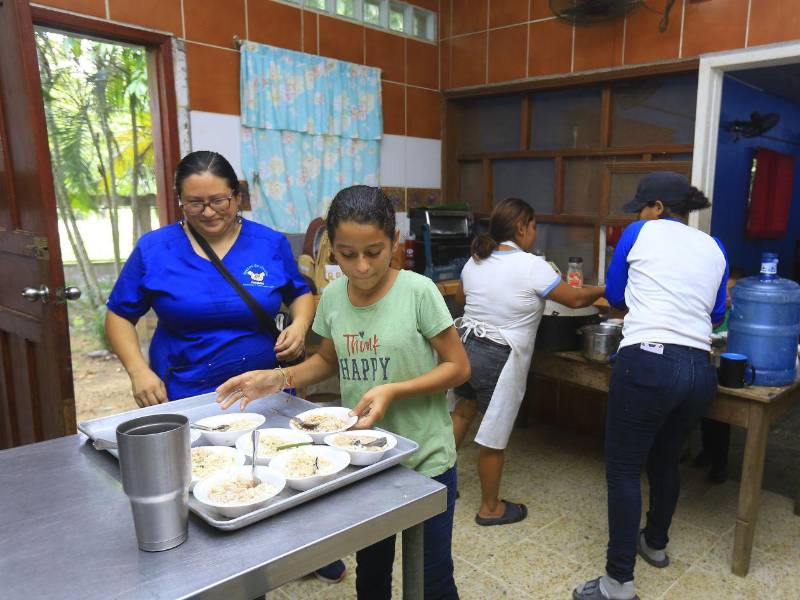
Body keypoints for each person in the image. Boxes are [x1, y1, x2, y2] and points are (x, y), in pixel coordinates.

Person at [216, 185, 470, 599]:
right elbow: (327, 361)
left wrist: (393, 390)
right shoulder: (333, 296)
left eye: (374, 252)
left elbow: (458, 367)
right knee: (371, 576)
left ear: (394, 241)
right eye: (348, 254)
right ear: (331, 248)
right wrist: (278, 378)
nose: (362, 266)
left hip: (425, 459)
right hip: (364, 461)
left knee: (432, 580)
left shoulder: (418, 291)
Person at [105, 151, 347, 582]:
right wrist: (138, 371)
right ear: (179, 200)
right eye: (194, 202)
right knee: (203, 479)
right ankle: (213, 570)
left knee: (279, 467)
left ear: (236, 197)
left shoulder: (269, 243)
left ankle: (298, 551)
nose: (208, 211)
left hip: (263, 389)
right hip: (188, 392)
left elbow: (299, 292)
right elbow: (119, 315)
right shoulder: (155, 249)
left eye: (218, 200)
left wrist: (299, 324)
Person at [573, 172, 728, 600]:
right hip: (699, 370)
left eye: (642, 207)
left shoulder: (640, 232)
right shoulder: (715, 246)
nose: (639, 214)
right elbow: (716, 314)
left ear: (658, 207)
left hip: (649, 362)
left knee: (624, 469)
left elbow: (616, 295)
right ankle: (655, 543)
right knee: (665, 458)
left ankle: (618, 583)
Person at [450, 198, 605, 526]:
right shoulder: (532, 265)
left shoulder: (475, 260)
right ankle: (490, 508)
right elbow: (576, 299)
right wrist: (605, 288)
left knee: (463, 411)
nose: (535, 232)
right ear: (521, 227)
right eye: (533, 226)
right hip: (497, 355)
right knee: (494, 435)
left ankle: (441, 485)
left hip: (465, 347)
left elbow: (463, 299)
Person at [693, 266, 746, 483]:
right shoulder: (711, 313)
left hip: (728, 369)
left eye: (732, 292)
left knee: (722, 418)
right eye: (724, 291)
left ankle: (719, 464)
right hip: (707, 367)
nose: (727, 297)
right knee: (706, 414)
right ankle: (707, 452)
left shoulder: (741, 317)